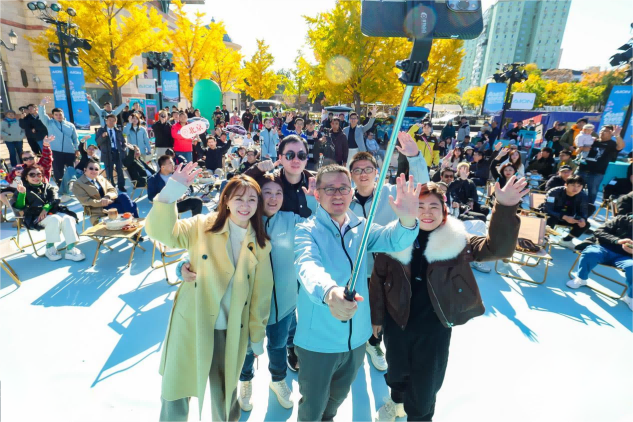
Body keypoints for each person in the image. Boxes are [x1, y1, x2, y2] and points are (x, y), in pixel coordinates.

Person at [371, 177, 525, 422]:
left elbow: (498, 249)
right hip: (396, 322)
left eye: (433, 206)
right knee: (397, 372)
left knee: (424, 388)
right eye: (419, 206)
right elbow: (378, 278)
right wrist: (377, 318)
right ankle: (397, 401)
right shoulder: (392, 238)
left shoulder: (458, 240)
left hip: (434, 329)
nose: (426, 212)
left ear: (444, 210)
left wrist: (505, 208)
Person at [293, 165, 421, 422]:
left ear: (351, 193)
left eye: (343, 188)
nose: (337, 194)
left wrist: (407, 220)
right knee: (313, 405)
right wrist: (330, 293)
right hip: (319, 341)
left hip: (357, 339)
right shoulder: (306, 230)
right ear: (317, 194)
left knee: (337, 398)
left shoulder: (361, 226)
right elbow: (307, 266)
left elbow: (393, 239)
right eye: (329, 188)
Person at [146, 164, 274, 422]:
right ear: (226, 200)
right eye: (238, 198)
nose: (245, 205)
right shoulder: (202, 225)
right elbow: (162, 233)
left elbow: (261, 295)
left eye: (252, 199)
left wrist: (257, 336)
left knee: (225, 395)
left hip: (230, 328)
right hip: (192, 320)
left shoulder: (260, 243)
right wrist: (172, 190)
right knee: (176, 388)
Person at [348, 133, 429, 371]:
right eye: (357, 170)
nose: (363, 174)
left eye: (368, 169)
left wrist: (415, 157)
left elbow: (421, 187)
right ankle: (355, 343)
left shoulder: (391, 193)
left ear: (377, 172)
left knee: (383, 308)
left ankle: (374, 344)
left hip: (390, 268)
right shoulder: (345, 200)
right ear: (351, 175)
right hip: (359, 269)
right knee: (357, 308)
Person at [14, 164, 84, 262]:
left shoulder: (48, 187)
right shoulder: (23, 189)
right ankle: (50, 248)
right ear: (26, 177)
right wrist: (22, 194)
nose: (36, 177)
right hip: (35, 217)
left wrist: (45, 209)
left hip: (52, 212)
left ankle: (70, 249)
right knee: (55, 219)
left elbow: (54, 199)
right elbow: (19, 207)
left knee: (68, 218)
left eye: (39, 174)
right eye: (32, 175)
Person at [566, 213, 633, 313]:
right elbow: (599, 231)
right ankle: (581, 279)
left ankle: (630, 297)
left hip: (626, 257)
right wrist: (617, 241)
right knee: (590, 253)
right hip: (603, 248)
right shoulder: (621, 219)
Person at [72, 158, 138, 226]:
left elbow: (112, 190)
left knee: (123, 195)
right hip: (99, 208)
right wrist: (104, 202)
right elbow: (86, 201)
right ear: (85, 170)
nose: (94, 171)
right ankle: (134, 222)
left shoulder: (100, 178)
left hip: (110, 201)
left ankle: (132, 222)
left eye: (96, 169)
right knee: (133, 205)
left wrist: (107, 197)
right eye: (91, 168)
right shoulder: (78, 184)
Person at [575, 124, 625, 205]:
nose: (602, 132)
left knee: (592, 193)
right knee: (574, 189)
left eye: (605, 131)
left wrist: (617, 136)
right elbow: (577, 150)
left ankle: (588, 208)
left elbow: (621, 146)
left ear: (611, 133)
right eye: (601, 130)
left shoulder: (612, 144)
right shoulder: (592, 140)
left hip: (596, 173)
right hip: (581, 170)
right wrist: (583, 148)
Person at [38, 98, 79, 187]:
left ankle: (72, 187)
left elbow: (75, 138)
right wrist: (41, 105)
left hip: (69, 151)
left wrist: (77, 149)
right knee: (58, 171)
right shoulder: (49, 123)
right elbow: (42, 115)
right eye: (56, 115)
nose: (58, 116)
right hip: (55, 151)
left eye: (60, 114)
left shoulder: (70, 125)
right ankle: (61, 187)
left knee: (71, 170)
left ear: (63, 114)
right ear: (53, 116)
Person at [541, 176, 589, 249]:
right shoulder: (554, 192)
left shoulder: (583, 196)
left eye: (579, 186)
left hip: (570, 217)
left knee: (585, 224)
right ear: (566, 185)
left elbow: (583, 210)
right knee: (550, 218)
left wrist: (583, 218)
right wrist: (564, 217)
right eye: (573, 185)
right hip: (554, 215)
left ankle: (566, 240)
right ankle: (544, 237)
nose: (576, 188)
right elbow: (547, 209)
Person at [96, 114, 127, 192]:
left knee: (120, 170)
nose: (111, 122)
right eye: (109, 120)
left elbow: (123, 142)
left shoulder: (118, 131)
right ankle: (111, 187)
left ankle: (121, 186)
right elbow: (98, 141)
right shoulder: (101, 130)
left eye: (113, 121)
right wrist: (102, 136)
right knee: (109, 172)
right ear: (106, 121)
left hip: (118, 152)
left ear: (116, 122)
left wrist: (123, 149)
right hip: (107, 153)